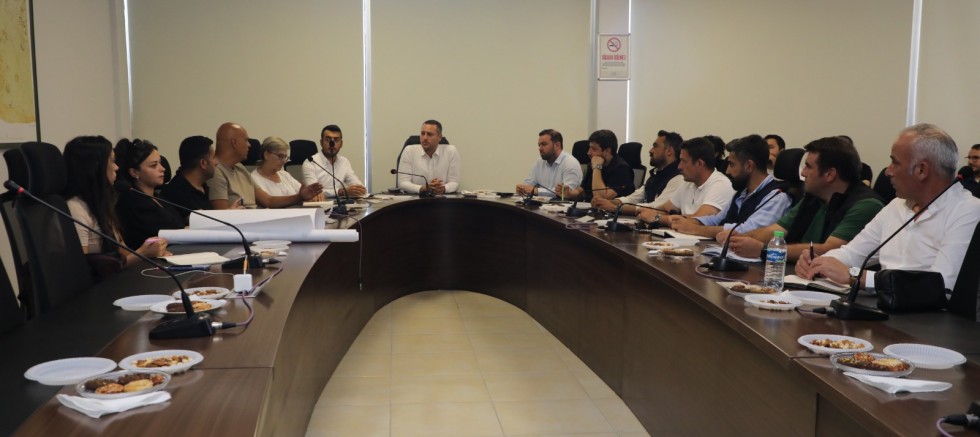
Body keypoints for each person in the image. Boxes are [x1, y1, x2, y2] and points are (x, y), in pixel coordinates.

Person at [798, 124, 980, 291]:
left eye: (895, 162)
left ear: (921, 170)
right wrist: (819, 263)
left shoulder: (968, 211)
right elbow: (852, 253)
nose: (888, 171)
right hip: (882, 306)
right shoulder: (897, 205)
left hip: (927, 315)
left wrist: (857, 277)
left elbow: (942, 285)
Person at [726, 136, 885, 262]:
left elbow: (830, 250)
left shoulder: (866, 205)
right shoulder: (813, 197)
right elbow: (775, 230)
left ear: (830, 174)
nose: (803, 173)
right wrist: (737, 240)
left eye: (808, 167)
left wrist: (764, 250)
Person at [62, 135, 170, 268]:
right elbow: (82, 269)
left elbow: (123, 253)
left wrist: (149, 251)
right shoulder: (76, 208)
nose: (117, 167)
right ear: (96, 167)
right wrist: (143, 253)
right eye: (112, 161)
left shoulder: (102, 203)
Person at [670, 135, 792, 239]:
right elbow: (717, 219)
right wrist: (691, 221)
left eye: (732, 165)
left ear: (749, 166)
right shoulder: (742, 193)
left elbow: (745, 230)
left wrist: (696, 229)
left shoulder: (777, 196)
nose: (727, 171)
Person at [208, 122, 322, 209]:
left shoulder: (240, 168)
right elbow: (222, 216)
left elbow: (268, 201)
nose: (249, 145)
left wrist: (299, 197)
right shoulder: (216, 171)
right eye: (246, 140)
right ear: (234, 143)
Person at [636, 137, 735, 226]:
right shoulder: (688, 183)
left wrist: (657, 218)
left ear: (699, 163)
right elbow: (665, 209)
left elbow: (698, 220)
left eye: (684, 161)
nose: (679, 166)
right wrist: (646, 212)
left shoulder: (721, 184)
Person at [114, 138, 186, 249]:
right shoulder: (133, 202)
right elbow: (169, 232)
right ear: (134, 172)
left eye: (160, 163)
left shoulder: (157, 196)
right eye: (154, 165)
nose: (162, 169)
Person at [593, 130, 684, 215]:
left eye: (655, 146)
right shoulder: (656, 174)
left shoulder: (678, 178)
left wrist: (615, 208)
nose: (650, 150)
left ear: (669, 151)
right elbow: (633, 198)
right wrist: (606, 202)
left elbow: (657, 207)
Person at [560, 129, 634, 201]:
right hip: (590, 206)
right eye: (589, 148)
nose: (588, 153)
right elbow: (582, 190)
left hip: (613, 209)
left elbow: (601, 198)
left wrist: (597, 168)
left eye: (594, 149)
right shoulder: (592, 164)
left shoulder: (622, 168)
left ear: (607, 151)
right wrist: (569, 194)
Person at [159, 135, 217, 225]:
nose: (216, 162)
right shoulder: (175, 193)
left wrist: (230, 213)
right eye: (213, 158)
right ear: (203, 163)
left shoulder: (203, 186)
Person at [303, 124, 367, 199]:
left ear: (341, 144)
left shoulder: (344, 162)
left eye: (336, 140)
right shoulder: (310, 162)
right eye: (328, 140)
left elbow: (357, 185)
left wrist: (359, 189)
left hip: (340, 204)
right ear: (321, 142)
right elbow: (312, 192)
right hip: (320, 204)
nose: (332, 144)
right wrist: (340, 192)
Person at [397, 119, 460, 194]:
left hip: (441, 198)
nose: (425, 138)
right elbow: (403, 183)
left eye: (429, 134)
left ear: (439, 137)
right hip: (415, 198)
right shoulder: (409, 151)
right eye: (422, 133)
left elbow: (455, 182)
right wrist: (423, 188)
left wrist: (443, 188)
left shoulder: (451, 151)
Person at [515, 129, 582, 198]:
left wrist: (536, 191)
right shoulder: (539, 162)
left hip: (564, 204)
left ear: (557, 145)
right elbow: (529, 184)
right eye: (539, 145)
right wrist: (522, 189)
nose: (540, 149)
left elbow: (565, 192)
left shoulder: (570, 163)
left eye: (544, 144)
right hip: (542, 203)